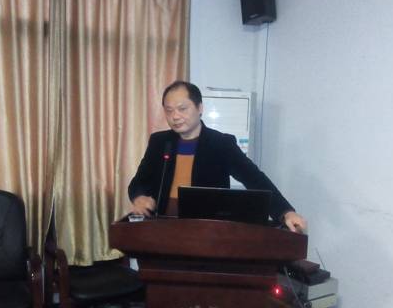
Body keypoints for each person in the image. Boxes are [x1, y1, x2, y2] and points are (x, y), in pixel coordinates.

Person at [128, 81, 307, 233]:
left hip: (207, 232)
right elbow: (138, 183)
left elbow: (255, 179)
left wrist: (285, 212)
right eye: (169, 110)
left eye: (182, 109)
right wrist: (139, 197)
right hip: (162, 229)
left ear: (200, 108)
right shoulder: (159, 142)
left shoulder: (221, 143)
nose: (175, 116)